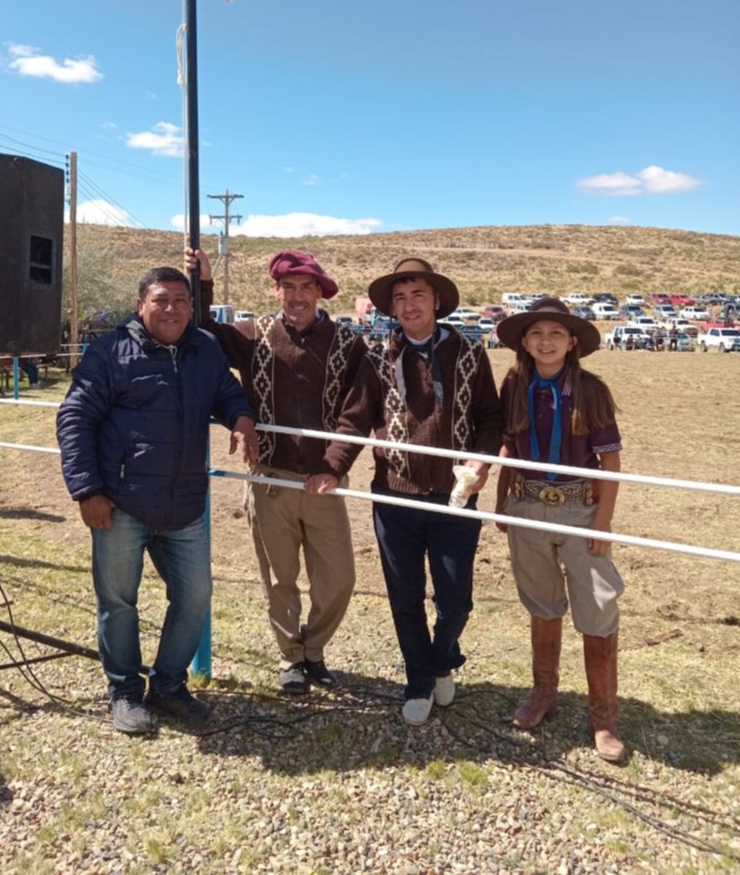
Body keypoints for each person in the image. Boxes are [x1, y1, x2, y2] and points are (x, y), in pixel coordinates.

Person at [56, 267, 258, 735]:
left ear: (191, 305)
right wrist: (87, 490)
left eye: (181, 301)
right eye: (162, 300)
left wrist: (242, 417)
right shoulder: (111, 352)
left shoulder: (204, 348)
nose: (173, 309)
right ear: (141, 304)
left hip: (185, 504)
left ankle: (167, 686)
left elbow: (226, 392)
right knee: (119, 602)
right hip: (121, 504)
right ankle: (124, 691)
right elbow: (74, 418)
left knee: (195, 595)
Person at [305, 258, 502, 726]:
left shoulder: (471, 353)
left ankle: (442, 660)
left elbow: (490, 418)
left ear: (436, 301)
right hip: (394, 496)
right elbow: (353, 418)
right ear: (391, 308)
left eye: (417, 295)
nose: (409, 305)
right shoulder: (376, 358)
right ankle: (418, 680)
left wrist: (481, 459)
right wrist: (332, 467)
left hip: (455, 496)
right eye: (399, 298)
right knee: (405, 596)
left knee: (456, 600)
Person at [186, 246, 367, 695]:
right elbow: (203, 333)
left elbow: (358, 412)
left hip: (323, 483)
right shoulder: (255, 334)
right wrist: (203, 282)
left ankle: (315, 649)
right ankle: (292, 658)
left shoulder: (348, 342)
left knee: (338, 577)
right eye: (289, 287)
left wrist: (334, 466)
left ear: (321, 292)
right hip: (268, 479)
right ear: (277, 289)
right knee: (279, 578)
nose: (297, 296)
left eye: (307, 287)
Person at [494, 297, 625, 762]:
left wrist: (603, 523)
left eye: (554, 334)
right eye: (536, 334)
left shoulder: (591, 390)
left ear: (572, 342)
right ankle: (544, 691)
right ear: (524, 343)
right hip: (526, 506)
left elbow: (610, 460)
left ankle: (603, 716)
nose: (544, 341)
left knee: (597, 607)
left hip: (579, 510)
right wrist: (500, 500)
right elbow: (507, 445)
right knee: (542, 602)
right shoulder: (514, 385)